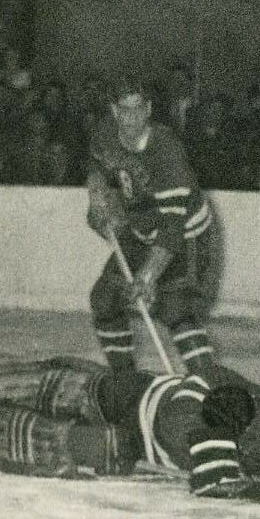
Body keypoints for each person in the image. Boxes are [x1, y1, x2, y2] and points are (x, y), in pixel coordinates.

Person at [0, 357, 260, 497]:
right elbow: (217, 481)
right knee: (210, 383)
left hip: (145, 427)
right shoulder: (184, 424)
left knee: (108, 445)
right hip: (131, 404)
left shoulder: (229, 386)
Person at [86, 74, 217, 371]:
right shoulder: (105, 134)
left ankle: (209, 386)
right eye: (124, 109)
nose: (130, 118)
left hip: (187, 236)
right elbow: (97, 171)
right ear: (114, 111)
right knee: (105, 299)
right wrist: (98, 200)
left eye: (138, 109)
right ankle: (124, 379)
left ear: (148, 109)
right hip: (141, 230)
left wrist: (147, 277)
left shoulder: (166, 150)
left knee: (175, 308)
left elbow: (173, 226)